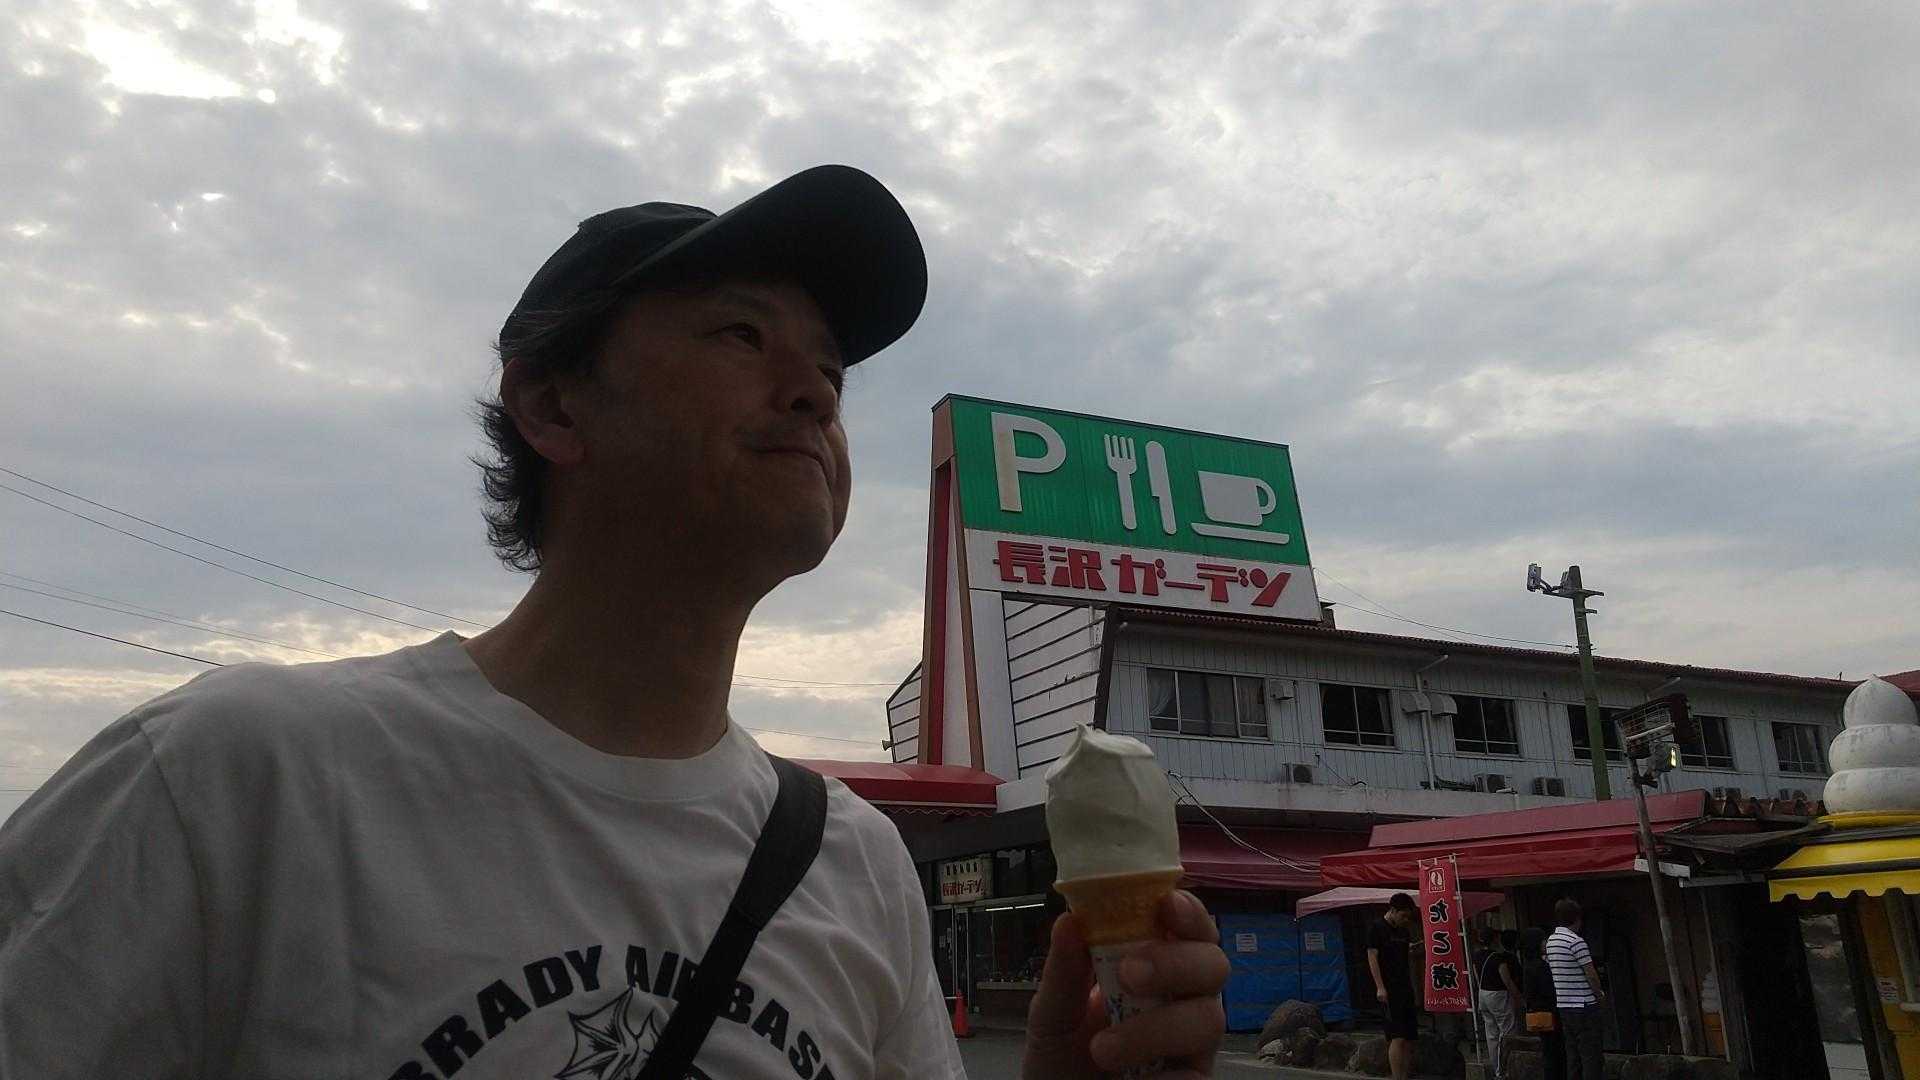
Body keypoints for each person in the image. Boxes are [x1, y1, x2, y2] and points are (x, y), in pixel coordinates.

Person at [0, 165, 1230, 1078]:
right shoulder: (236, 778)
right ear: (552, 407)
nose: (814, 394)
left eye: (832, 373)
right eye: (743, 334)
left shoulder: (857, 867)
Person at [1546, 898, 1607, 1080]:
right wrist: (1600, 995)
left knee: (1573, 1054)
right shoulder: (1576, 942)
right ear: (1578, 918)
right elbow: (1591, 974)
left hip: (1564, 1005)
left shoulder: (1551, 941)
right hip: (1584, 1005)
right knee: (1591, 1055)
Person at [1368, 892, 1421, 1080]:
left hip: (1405, 986)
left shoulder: (1404, 932)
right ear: (1392, 910)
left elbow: (1404, 956)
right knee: (1397, 1036)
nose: (1405, 920)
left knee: (1410, 1037)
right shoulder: (1377, 928)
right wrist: (1380, 987)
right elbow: (1372, 957)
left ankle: (1405, 1075)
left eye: (1408, 917)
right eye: (1403, 916)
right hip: (1389, 989)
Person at [1476, 928, 1522, 1080]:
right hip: (1498, 995)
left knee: (1491, 1035)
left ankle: (1497, 1070)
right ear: (1495, 939)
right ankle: (1505, 1069)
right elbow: (1507, 980)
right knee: (1508, 1031)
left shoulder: (1477, 956)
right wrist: (1518, 997)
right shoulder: (1498, 958)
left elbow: (1477, 978)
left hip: (1483, 994)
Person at [1520, 926, 1565, 1080]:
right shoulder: (1540, 966)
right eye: (1543, 941)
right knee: (1555, 1053)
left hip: (1539, 1014)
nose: (1546, 943)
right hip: (1550, 1014)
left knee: (1549, 1052)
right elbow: (1549, 991)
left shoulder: (1528, 964)